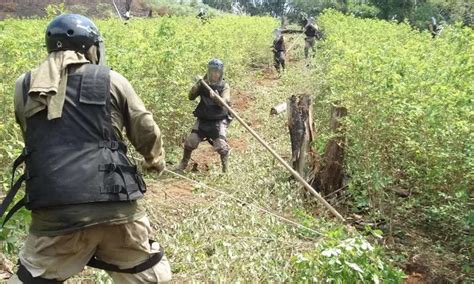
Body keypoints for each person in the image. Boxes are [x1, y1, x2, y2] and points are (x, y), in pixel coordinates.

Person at [1, 14, 171, 283]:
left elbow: (35, 141)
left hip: (55, 217)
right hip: (116, 211)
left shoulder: (24, 87)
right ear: (90, 48)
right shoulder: (113, 80)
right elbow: (146, 129)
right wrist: (154, 160)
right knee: (146, 274)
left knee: (32, 277)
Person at [176, 59, 231, 173]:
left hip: (218, 120)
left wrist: (216, 98)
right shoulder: (203, 84)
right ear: (209, 72)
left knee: (221, 146)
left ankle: (225, 170)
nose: (215, 74)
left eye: (218, 72)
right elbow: (191, 96)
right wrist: (196, 86)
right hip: (203, 119)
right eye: (213, 71)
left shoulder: (224, 86)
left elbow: (225, 101)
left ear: (221, 73)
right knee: (190, 141)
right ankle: (183, 163)